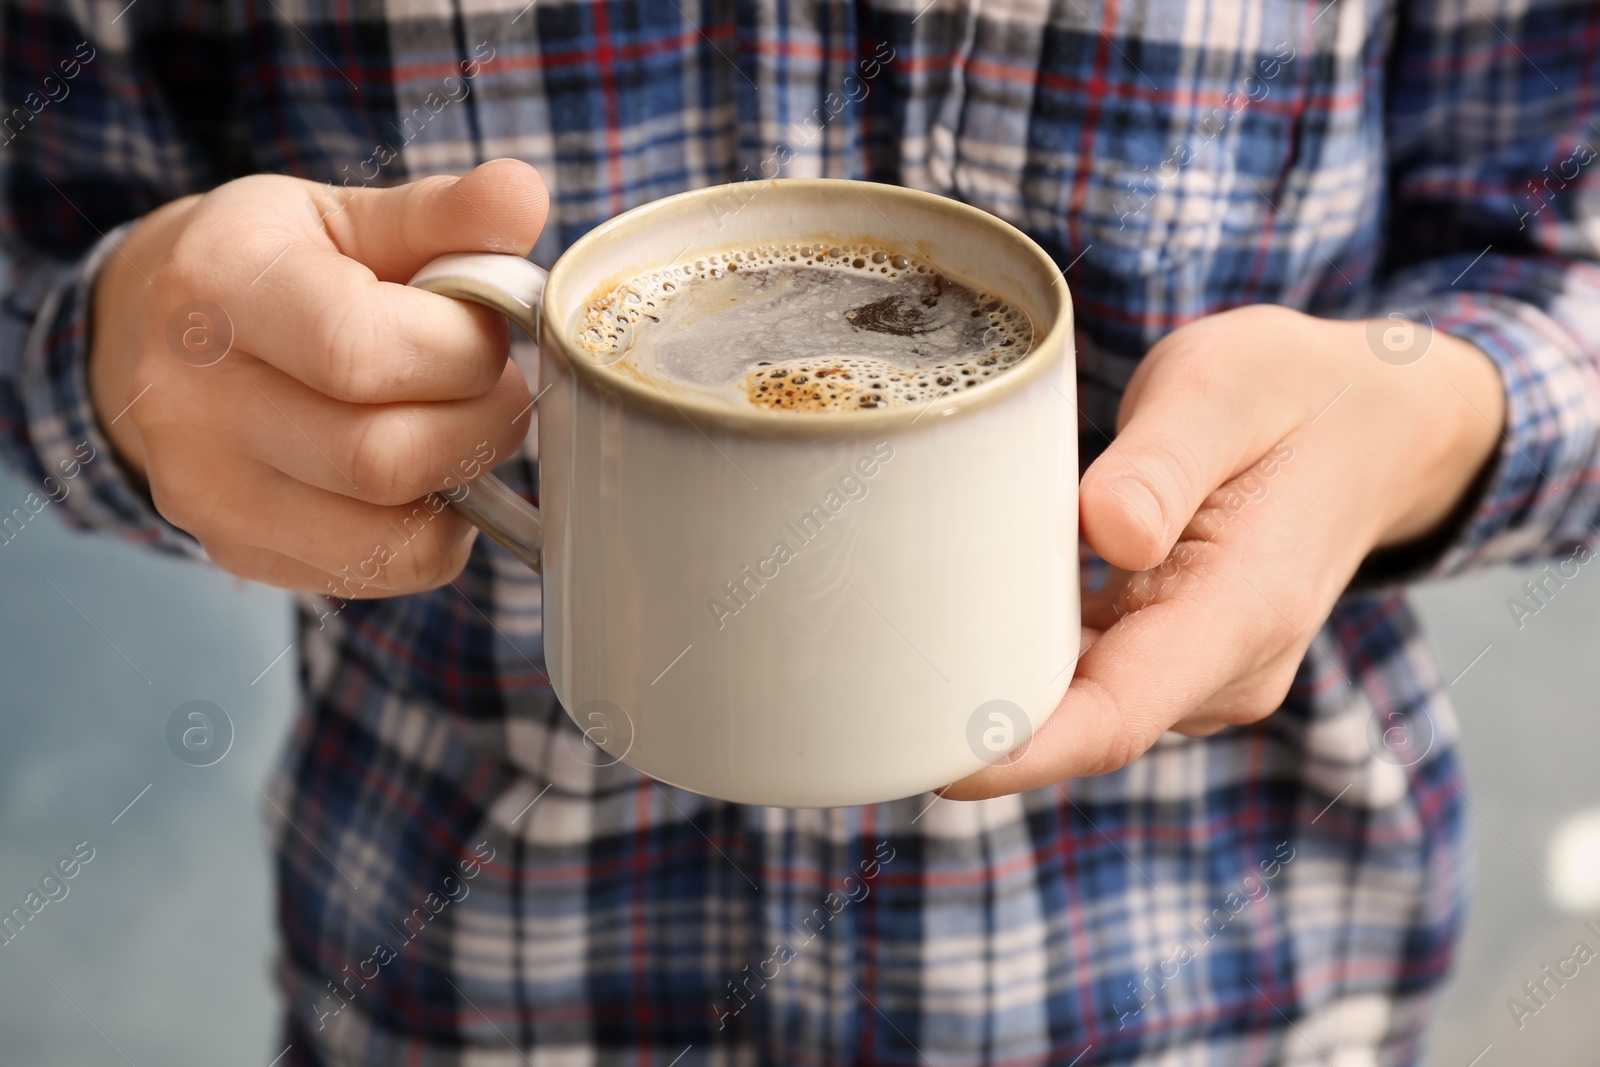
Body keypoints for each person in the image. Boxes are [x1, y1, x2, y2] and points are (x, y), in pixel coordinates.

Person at [2, 0, 1596, 1062]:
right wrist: (129, 349)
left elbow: (1561, 242)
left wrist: (1426, 414)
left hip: (1219, 994)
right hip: (469, 991)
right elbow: (34, 234)